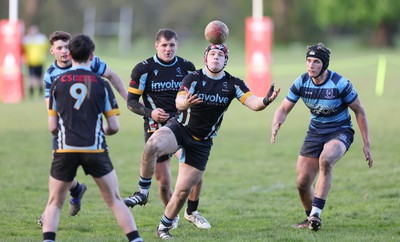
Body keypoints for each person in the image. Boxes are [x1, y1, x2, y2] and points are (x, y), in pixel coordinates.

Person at [128, 43, 280, 239]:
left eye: (220, 55)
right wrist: (186, 103)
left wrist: (266, 100)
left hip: (202, 142)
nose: (216, 57)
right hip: (179, 129)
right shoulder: (193, 77)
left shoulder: (233, 84)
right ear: (205, 58)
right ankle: (142, 190)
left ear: (226, 60)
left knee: (183, 191)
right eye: (212, 54)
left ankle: (163, 227)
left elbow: (254, 103)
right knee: (153, 144)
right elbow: (179, 101)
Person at [42, 34, 142, 242]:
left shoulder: (57, 83)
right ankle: (135, 239)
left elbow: (52, 126)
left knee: (54, 203)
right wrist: (97, 130)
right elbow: (114, 127)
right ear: (92, 56)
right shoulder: (101, 84)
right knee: (115, 200)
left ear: (69, 54)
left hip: (65, 149)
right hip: (94, 149)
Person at [270, 43, 373, 231]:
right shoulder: (301, 82)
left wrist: (366, 143)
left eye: (316, 61)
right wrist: (277, 122)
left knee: (325, 160)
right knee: (302, 182)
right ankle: (310, 217)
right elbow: (283, 108)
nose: (311, 65)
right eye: (308, 61)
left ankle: (316, 214)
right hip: (315, 132)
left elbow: (359, 110)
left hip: (340, 131)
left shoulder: (340, 84)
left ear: (324, 65)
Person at [123, 29, 210, 229]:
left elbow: (196, 96)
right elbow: (131, 102)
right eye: (164, 45)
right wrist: (150, 113)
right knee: (163, 183)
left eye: (171, 45)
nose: (168, 49)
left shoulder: (187, 67)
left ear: (176, 45)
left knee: (194, 172)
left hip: (183, 127)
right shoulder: (143, 69)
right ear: (156, 45)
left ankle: (192, 211)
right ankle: (173, 215)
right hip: (156, 129)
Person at [22, 25, 48, 98]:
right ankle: (31, 93)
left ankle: (40, 93)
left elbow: (46, 48)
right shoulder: (26, 39)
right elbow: (23, 50)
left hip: (39, 61)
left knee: (40, 78)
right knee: (31, 78)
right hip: (30, 62)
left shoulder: (41, 39)